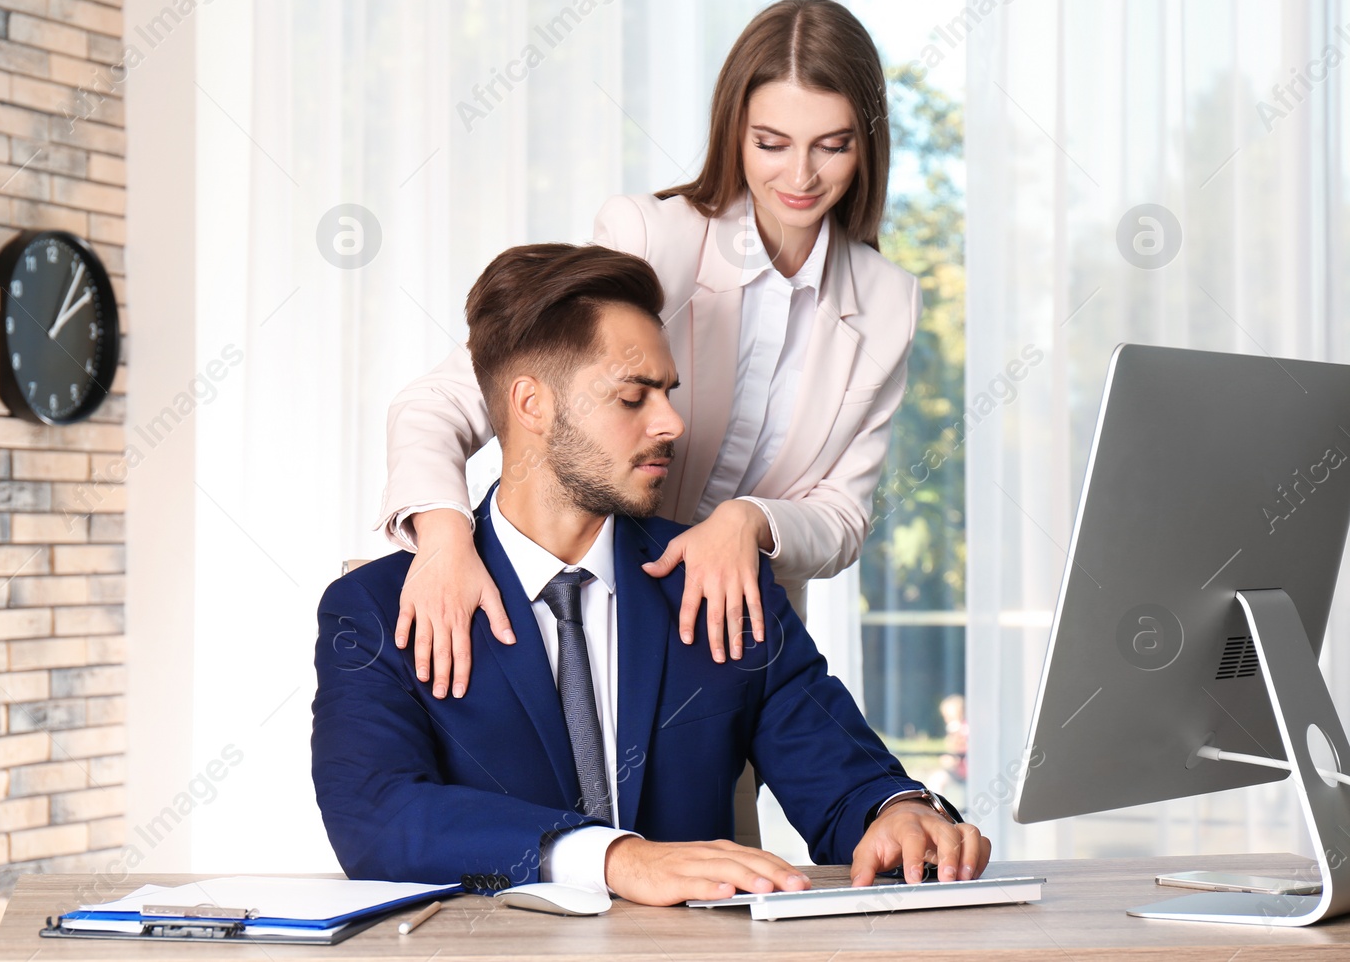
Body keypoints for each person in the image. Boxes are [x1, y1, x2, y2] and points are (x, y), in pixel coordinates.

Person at [314, 244, 988, 904]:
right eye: (633, 398)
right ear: (531, 405)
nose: (671, 423)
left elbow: (842, 777)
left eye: (668, 393)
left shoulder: (719, 584)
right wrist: (612, 859)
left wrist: (899, 812)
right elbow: (376, 815)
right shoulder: (374, 608)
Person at [379, 0, 920, 702]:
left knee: (724, 818)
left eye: (833, 144)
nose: (801, 177)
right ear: (734, 132)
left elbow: (843, 517)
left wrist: (749, 520)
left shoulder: (887, 301)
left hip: (734, 647)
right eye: (772, 143)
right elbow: (439, 402)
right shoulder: (650, 238)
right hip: (581, 623)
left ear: (868, 143)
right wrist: (445, 540)